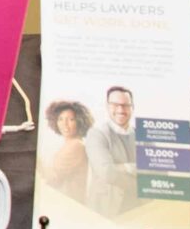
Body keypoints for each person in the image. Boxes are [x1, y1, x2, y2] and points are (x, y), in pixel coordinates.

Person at [84, 84, 139, 217]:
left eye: (126, 105)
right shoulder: (96, 134)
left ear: (132, 107)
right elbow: (106, 172)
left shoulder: (142, 136)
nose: (121, 109)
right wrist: (133, 168)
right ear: (107, 106)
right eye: (115, 104)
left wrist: (118, 168)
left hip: (139, 207)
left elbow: (158, 171)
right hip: (106, 207)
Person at [43, 99, 92, 204]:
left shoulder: (76, 146)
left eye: (71, 119)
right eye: (60, 119)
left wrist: (37, 164)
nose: (64, 124)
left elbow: (53, 178)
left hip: (69, 204)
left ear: (79, 121)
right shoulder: (71, 144)